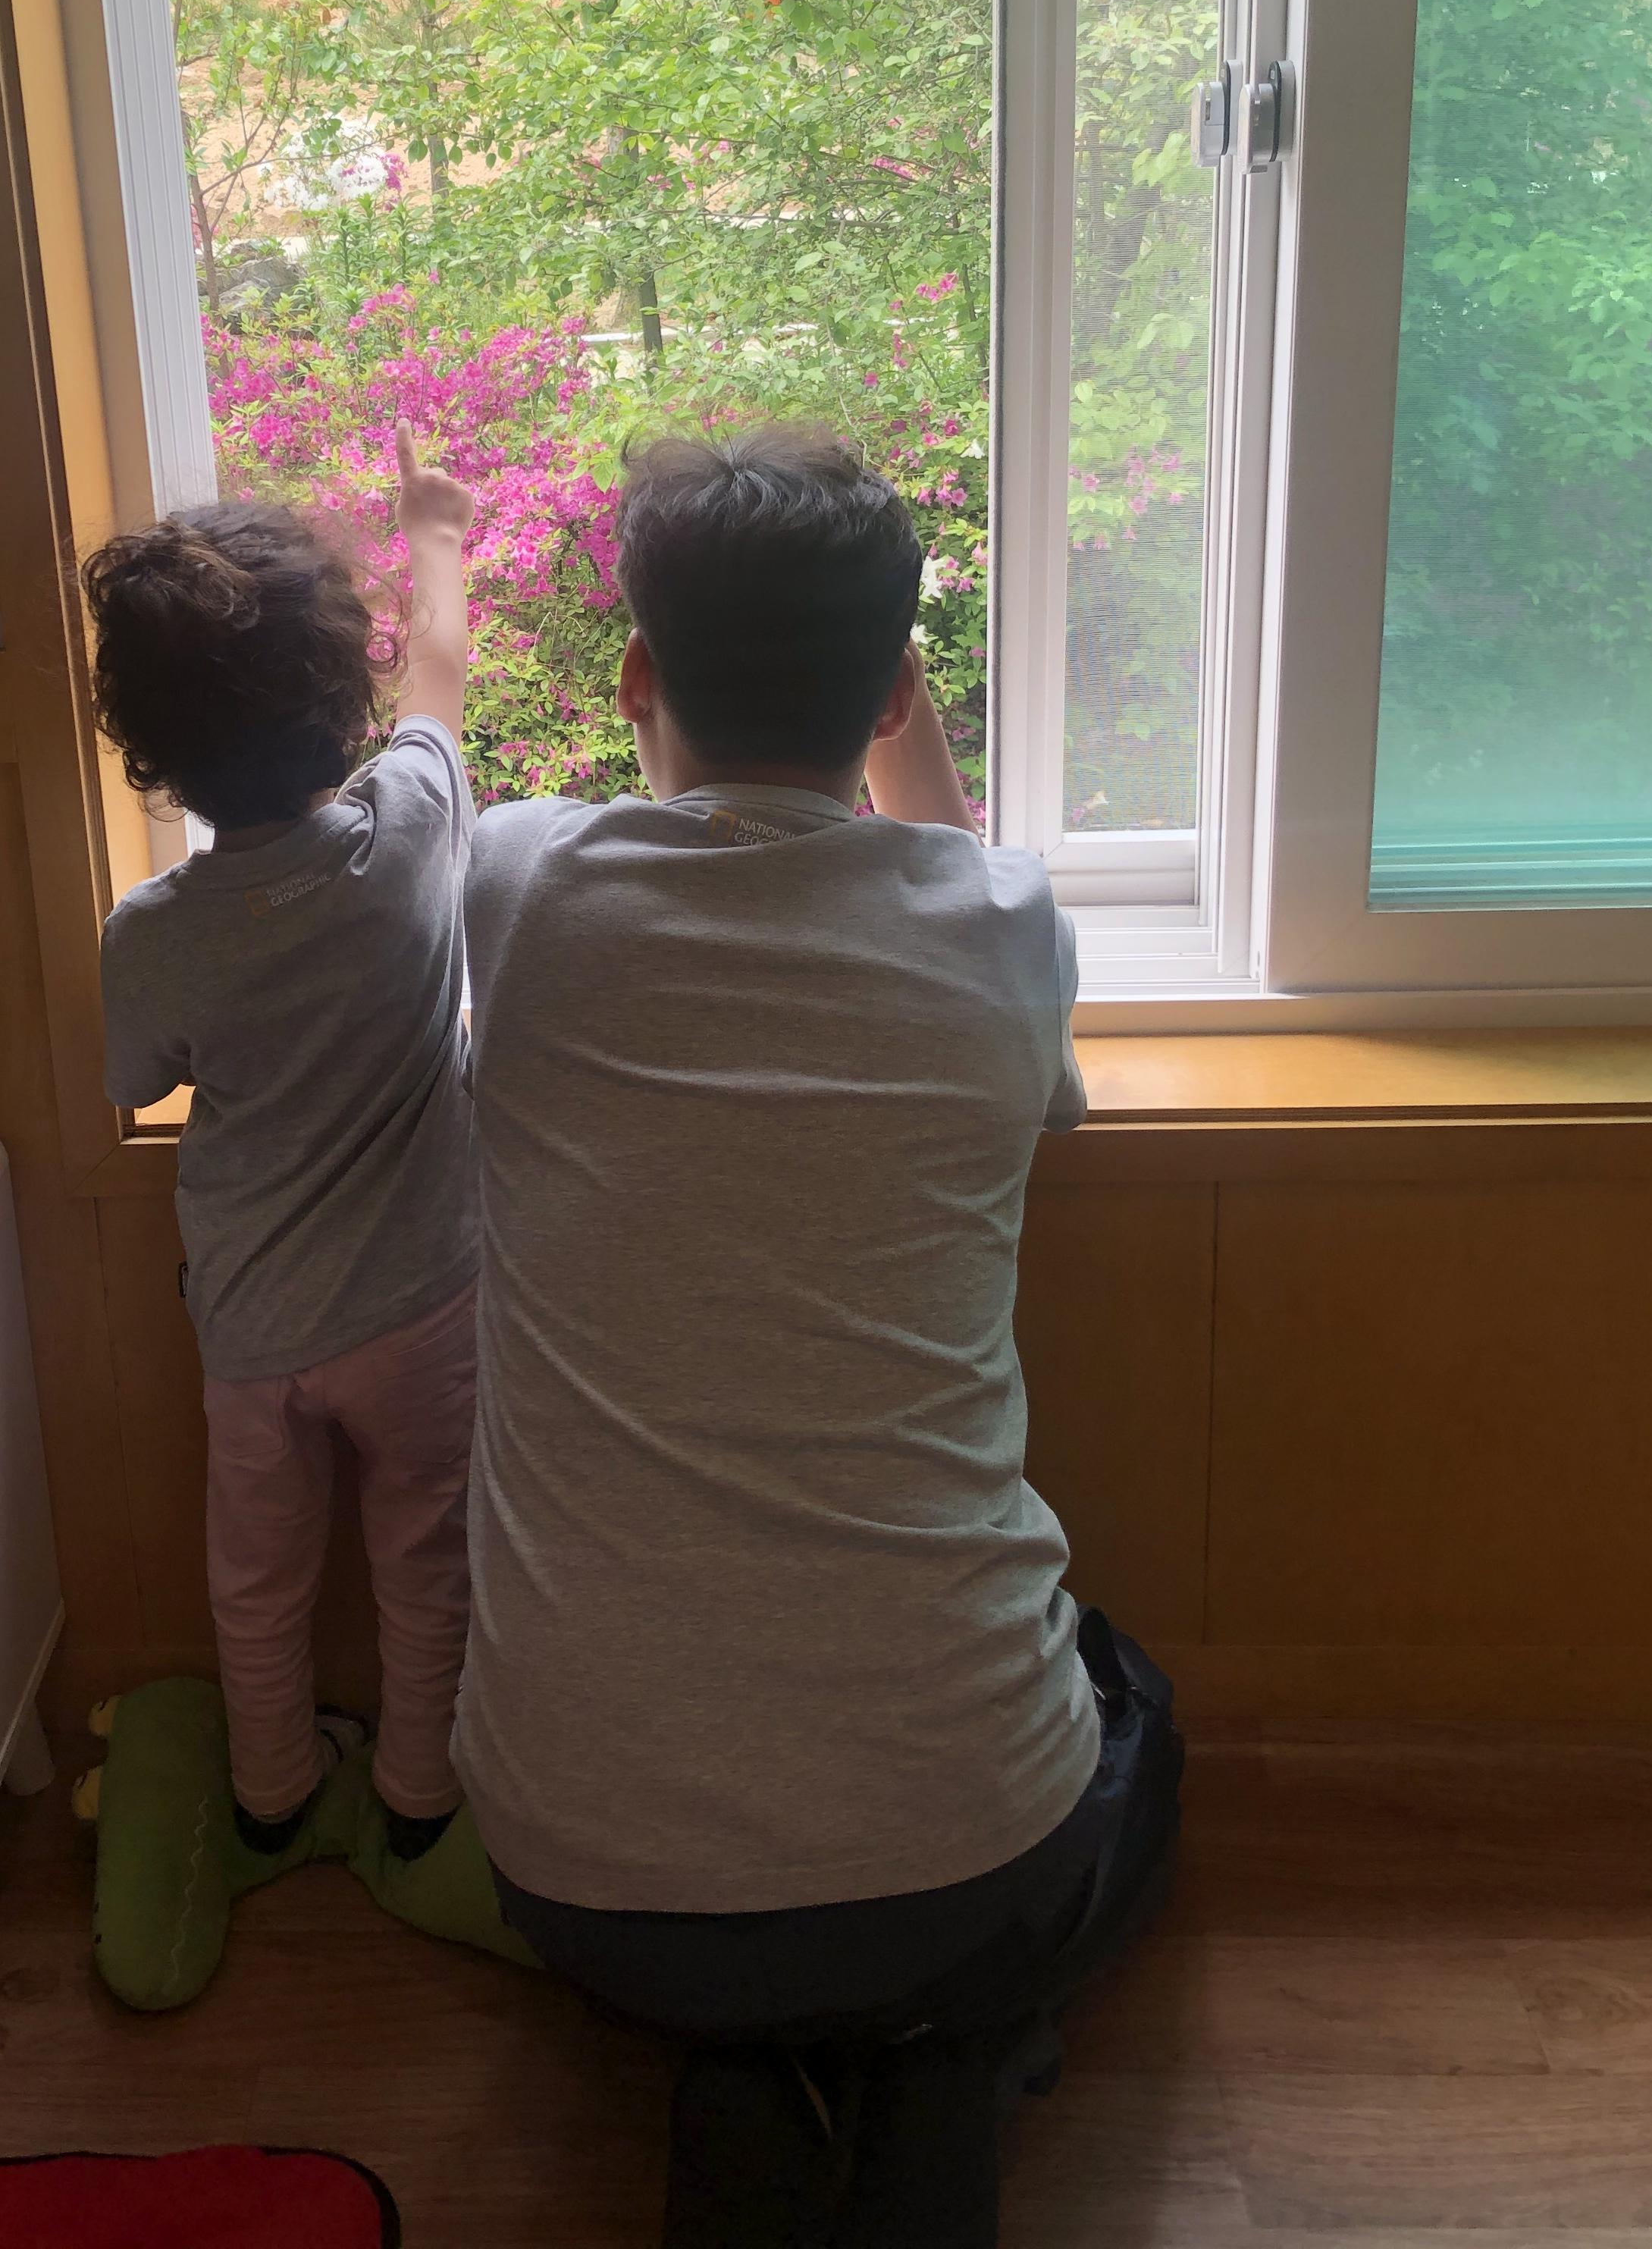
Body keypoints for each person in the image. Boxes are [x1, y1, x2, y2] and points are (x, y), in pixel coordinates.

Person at [455, 427, 1181, 2247]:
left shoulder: (523, 889)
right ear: (893, 696)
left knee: (750, 1960)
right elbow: (958, 881)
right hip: (972, 1862)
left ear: (638, 675)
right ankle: (937, 2051)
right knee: (1133, 1710)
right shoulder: (1000, 930)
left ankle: (759, 2063)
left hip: (583, 1882)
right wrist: (899, 718)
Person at [84, 425, 480, 1868]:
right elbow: (443, 667)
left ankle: (270, 1793)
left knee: (255, 1575)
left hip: (251, 1325)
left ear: (150, 751)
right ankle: (420, 1797)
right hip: (422, 1309)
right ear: (340, 691)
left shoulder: (152, 934)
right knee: (426, 1559)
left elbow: (138, 1080)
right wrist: (434, 529)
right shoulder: (410, 830)